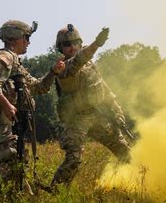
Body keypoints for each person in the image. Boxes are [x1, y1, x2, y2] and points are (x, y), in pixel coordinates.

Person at [0, 20, 65, 203]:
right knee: (13, 159)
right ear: (15, 38)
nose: (29, 42)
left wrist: (53, 72)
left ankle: (20, 200)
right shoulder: (4, 57)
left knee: (18, 161)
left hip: (6, 121)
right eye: (27, 37)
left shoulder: (16, 63)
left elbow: (38, 87)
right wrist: (8, 106)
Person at [50, 24, 131, 189]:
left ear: (80, 43)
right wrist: (97, 44)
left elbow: (104, 89)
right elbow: (78, 60)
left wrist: (117, 111)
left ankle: (133, 183)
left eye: (75, 42)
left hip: (97, 115)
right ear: (61, 48)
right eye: (67, 44)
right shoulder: (63, 69)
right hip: (76, 120)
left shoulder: (89, 64)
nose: (72, 47)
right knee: (73, 159)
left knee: (126, 152)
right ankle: (55, 191)